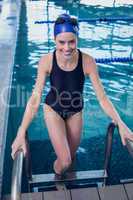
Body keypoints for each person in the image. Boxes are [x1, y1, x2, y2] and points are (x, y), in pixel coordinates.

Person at [11, 13, 133, 175]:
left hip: (75, 112)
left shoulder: (87, 61)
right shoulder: (46, 61)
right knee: (65, 161)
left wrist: (121, 124)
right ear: (54, 40)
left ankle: (69, 178)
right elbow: (35, 98)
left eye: (71, 42)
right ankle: (58, 178)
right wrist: (21, 131)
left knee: (72, 157)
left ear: (77, 39)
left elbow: (102, 98)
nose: (67, 47)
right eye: (61, 42)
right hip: (53, 110)